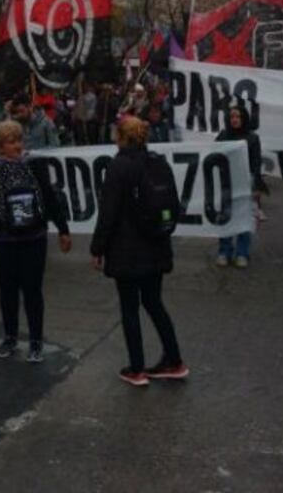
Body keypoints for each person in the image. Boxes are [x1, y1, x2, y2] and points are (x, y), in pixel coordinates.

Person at [90, 116, 188, 386]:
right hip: (155, 244)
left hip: (127, 249)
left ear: (121, 136)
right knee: (154, 302)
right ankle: (174, 359)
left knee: (129, 307)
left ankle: (136, 368)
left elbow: (108, 213)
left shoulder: (118, 166)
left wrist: (97, 248)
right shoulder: (158, 162)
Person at [0, 120, 71, 363]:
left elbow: (49, 197)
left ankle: (36, 341)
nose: (17, 146)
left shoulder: (34, 164)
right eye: (11, 142)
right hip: (2, 240)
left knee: (33, 290)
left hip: (34, 237)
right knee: (8, 291)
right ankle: (10, 337)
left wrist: (63, 230)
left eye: (19, 140)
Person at [214, 103, 267, 268]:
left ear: (244, 118)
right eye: (232, 117)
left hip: (246, 182)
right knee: (226, 217)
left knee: (244, 218)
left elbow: (256, 162)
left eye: (238, 117)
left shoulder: (252, 138)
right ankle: (224, 251)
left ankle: (242, 253)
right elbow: (213, 154)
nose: (235, 120)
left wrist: (256, 186)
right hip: (226, 182)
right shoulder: (223, 135)